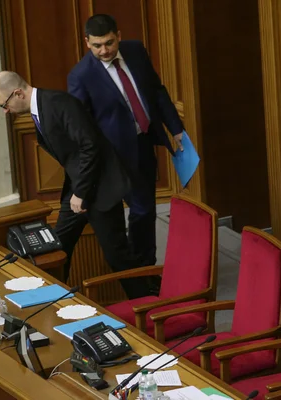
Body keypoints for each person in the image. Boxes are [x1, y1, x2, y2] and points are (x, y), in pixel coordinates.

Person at [0, 71, 150, 299]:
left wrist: (81, 191)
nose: (6, 111)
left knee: (117, 256)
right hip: (78, 189)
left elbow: (90, 146)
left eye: (4, 105)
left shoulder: (60, 103)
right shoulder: (41, 109)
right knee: (57, 248)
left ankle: (147, 305)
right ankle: (54, 303)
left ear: (18, 93)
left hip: (99, 188)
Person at [68, 14, 184, 275]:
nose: (104, 50)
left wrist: (175, 128)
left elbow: (156, 90)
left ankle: (146, 270)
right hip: (110, 156)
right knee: (122, 215)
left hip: (141, 143)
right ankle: (135, 273)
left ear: (118, 36)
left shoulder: (135, 50)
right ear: (87, 42)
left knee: (144, 211)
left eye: (109, 43)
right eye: (97, 45)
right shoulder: (80, 76)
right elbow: (81, 127)